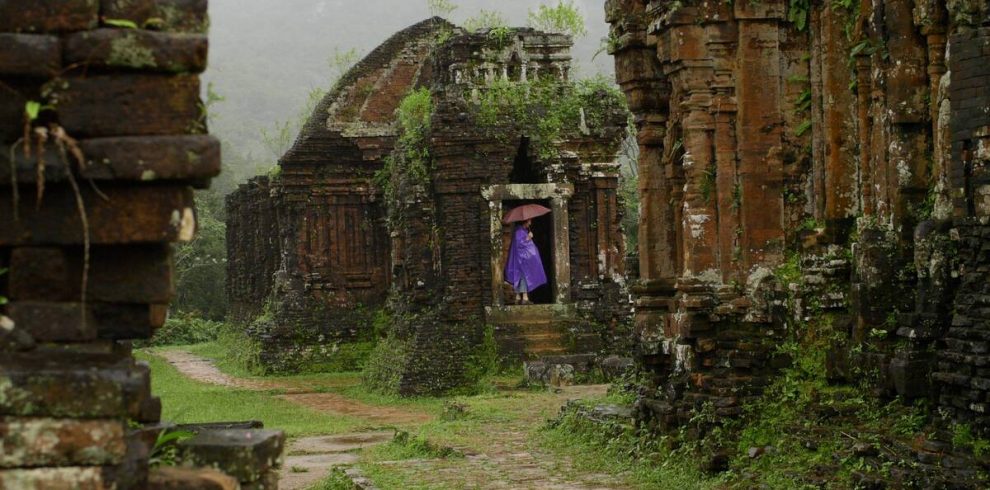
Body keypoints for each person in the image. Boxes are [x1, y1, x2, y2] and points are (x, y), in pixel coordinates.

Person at [504, 219, 547, 305]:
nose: (530, 223)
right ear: (524, 221)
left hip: (522, 259)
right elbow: (520, 245)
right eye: (529, 221)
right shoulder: (519, 231)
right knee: (523, 277)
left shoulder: (522, 231)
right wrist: (528, 238)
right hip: (521, 260)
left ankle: (518, 297)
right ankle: (524, 297)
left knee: (519, 277)